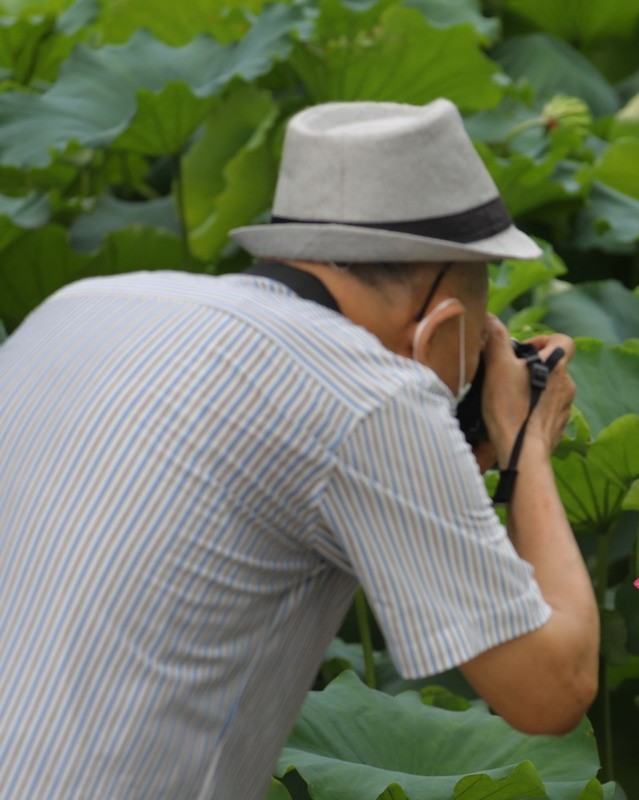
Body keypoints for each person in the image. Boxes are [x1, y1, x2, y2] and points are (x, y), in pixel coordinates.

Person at [0, 100, 599, 798]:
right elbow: (553, 690)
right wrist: (523, 434)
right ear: (439, 322)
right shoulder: (370, 395)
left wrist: (444, 461)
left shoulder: (79, 307)